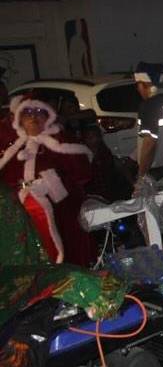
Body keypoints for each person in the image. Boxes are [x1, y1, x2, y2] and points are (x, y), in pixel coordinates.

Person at [0, 96, 95, 266]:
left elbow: (83, 175)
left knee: (68, 253)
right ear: (19, 119)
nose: (34, 117)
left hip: (61, 212)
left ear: (48, 117)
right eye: (27, 112)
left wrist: (51, 182)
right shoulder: (11, 148)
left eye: (39, 112)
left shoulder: (60, 142)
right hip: (21, 217)